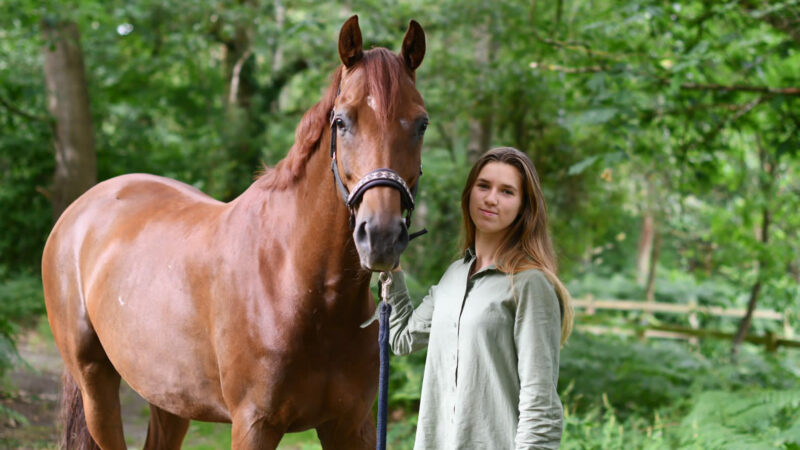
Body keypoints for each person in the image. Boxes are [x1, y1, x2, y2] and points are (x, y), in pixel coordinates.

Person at [386, 146, 574, 449]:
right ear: (469, 193)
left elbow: (540, 402)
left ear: (524, 207)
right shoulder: (453, 276)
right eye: (483, 186)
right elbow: (402, 339)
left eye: (507, 192)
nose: (491, 198)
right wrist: (391, 267)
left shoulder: (529, 285)